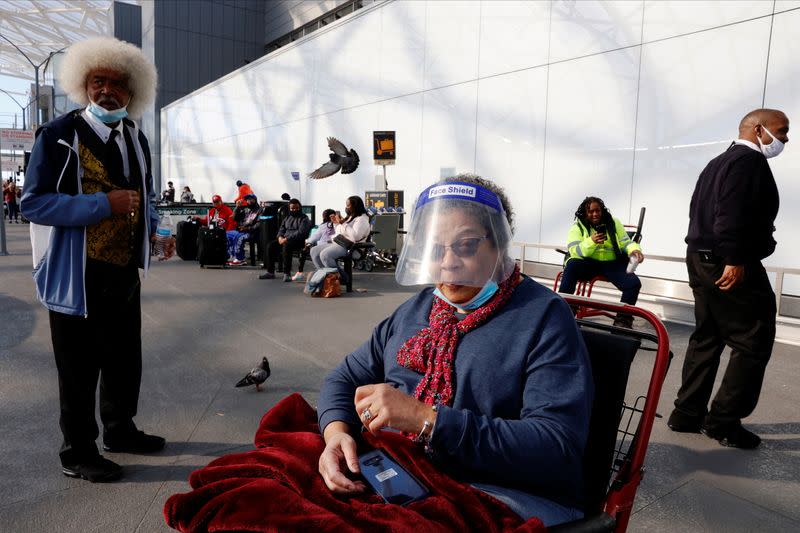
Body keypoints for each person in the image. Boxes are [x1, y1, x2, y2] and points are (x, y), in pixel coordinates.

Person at [317, 175, 593, 526]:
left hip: (498, 493)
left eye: (466, 246)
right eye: (435, 248)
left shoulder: (543, 318)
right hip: (401, 476)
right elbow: (344, 377)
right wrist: (336, 434)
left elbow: (556, 446)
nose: (447, 263)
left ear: (499, 246)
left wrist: (426, 419)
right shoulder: (417, 309)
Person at [20, 36, 172, 483]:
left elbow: (142, 197)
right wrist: (101, 205)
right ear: (83, 84)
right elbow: (33, 203)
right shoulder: (57, 135)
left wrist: (156, 229)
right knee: (78, 367)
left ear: (132, 91)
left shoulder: (136, 139)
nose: (108, 90)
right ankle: (78, 452)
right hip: (75, 274)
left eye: (118, 84)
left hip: (123, 271)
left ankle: (120, 430)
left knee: (125, 359)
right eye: (98, 81)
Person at [667, 108, 789, 450]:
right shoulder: (747, 163)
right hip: (728, 261)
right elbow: (730, 213)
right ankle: (723, 422)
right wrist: (735, 259)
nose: (785, 139)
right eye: (781, 131)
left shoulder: (717, 162)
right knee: (754, 338)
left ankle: (687, 413)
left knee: (708, 335)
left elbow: (700, 210)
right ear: (758, 129)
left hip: (701, 257)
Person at [557, 196, 644, 328]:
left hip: (612, 264)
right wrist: (591, 241)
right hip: (589, 263)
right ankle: (564, 312)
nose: (595, 214)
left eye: (597, 210)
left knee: (634, 284)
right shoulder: (578, 226)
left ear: (602, 210)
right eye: (591, 212)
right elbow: (575, 251)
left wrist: (635, 250)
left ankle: (623, 321)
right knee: (572, 265)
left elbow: (626, 242)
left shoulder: (613, 222)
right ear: (585, 213)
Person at [310, 195, 370, 269]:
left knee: (325, 255)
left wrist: (343, 224)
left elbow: (355, 236)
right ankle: (325, 275)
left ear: (355, 206)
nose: (346, 208)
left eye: (348, 205)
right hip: (341, 244)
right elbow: (341, 232)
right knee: (314, 251)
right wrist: (336, 223)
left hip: (353, 248)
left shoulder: (362, 219)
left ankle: (340, 277)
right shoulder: (351, 217)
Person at [259, 198, 311, 281]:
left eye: (297, 208)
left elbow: (301, 233)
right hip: (285, 240)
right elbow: (281, 229)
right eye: (292, 208)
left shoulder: (304, 218)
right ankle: (270, 272)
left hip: (298, 241)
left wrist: (286, 239)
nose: (295, 210)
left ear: (300, 208)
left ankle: (287, 273)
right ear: (289, 208)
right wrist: (280, 237)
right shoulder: (287, 218)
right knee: (270, 246)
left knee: (287, 246)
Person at [291, 208, 336, 282]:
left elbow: (314, 238)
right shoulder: (337, 224)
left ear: (324, 217)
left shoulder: (323, 226)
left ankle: (300, 272)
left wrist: (307, 242)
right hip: (335, 246)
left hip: (323, 246)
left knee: (305, 250)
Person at [225, 193, 263, 266]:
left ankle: (240, 259)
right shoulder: (244, 209)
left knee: (238, 237)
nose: (249, 201)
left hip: (252, 232)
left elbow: (259, 224)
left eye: (251, 199)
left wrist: (247, 228)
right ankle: (230, 256)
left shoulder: (259, 210)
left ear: (255, 200)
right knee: (226, 234)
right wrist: (237, 207)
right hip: (241, 230)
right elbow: (234, 218)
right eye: (248, 199)